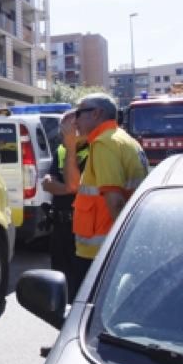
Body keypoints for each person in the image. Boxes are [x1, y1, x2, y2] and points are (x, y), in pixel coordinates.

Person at [61, 93, 148, 292]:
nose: (75, 120)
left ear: (97, 113)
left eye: (79, 113)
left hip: (101, 253)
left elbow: (115, 202)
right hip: (106, 250)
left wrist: (120, 249)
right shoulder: (123, 139)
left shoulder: (104, 143)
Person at [40, 111, 89, 300]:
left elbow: (73, 186)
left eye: (67, 129)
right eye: (62, 129)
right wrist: (66, 187)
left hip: (82, 228)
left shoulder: (93, 151)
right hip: (60, 227)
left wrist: (65, 187)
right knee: (61, 281)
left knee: (81, 283)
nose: (63, 134)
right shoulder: (62, 150)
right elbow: (49, 182)